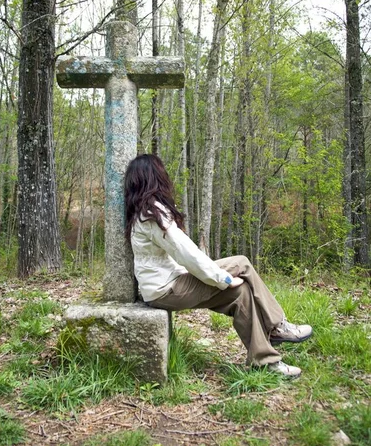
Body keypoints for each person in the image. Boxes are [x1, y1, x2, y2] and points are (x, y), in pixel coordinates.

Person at [124, 154, 312, 378]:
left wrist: (227, 282)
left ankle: (265, 362)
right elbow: (188, 254)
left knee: (241, 293)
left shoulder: (141, 213)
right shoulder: (152, 214)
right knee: (241, 262)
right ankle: (278, 326)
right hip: (167, 290)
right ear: (155, 177)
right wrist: (223, 279)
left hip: (165, 287)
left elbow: (180, 257)